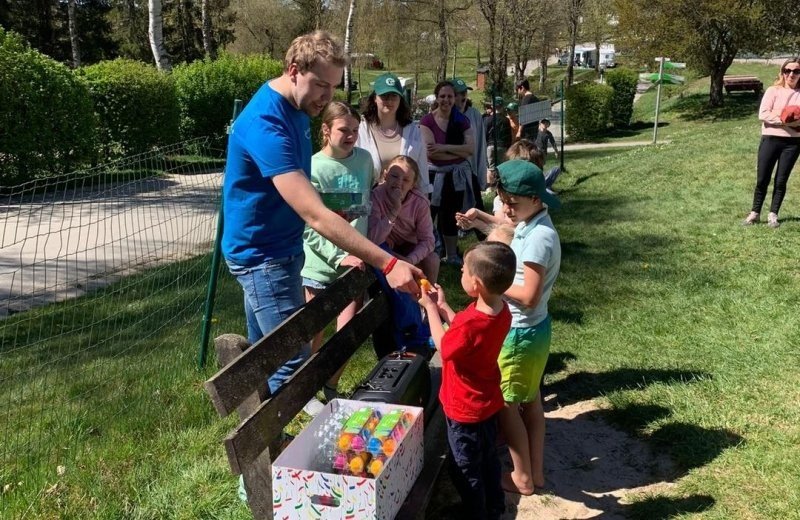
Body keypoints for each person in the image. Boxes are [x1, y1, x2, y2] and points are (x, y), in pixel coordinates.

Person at [222, 30, 421, 396]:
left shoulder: (298, 108)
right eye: (321, 85)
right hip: (261, 254)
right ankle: (274, 437)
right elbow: (314, 213)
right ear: (294, 70)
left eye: (334, 87)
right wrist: (388, 264)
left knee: (265, 353)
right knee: (291, 356)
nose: (327, 97)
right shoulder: (267, 124)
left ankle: (267, 442)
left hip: (285, 246)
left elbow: (301, 190)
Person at [418, 241, 516, 520]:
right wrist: (445, 306)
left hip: (464, 410)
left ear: (476, 284)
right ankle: (495, 507)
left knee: (465, 468)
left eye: (462, 270)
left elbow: (444, 346)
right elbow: (464, 334)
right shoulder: (502, 311)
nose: (459, 273)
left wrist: (431, 309)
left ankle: (476, 513)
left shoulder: (470, 324)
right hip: (487, 404)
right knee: (488, 460)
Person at [301, 102, 375, 411]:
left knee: (347, 333)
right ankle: (302, 391)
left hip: (355, 263)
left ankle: (330, 384)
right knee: (313, 331)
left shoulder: (365, 160)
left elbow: (366, 207)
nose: (351, 136)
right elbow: (309, 223)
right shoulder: (312, 168)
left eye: (356, 131)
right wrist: (336, 256)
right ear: (326, 130)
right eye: (344, 130)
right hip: (320, 264)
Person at [494, 159, 561, 496]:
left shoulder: (539, 239)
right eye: (504, 201)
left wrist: (491, 285)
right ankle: (536, 472)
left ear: (536, 199)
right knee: (532, 401)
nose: (506, 209)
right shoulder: (534, 224)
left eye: (512, 203)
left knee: (507, 405)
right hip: (535, 331)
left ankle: (521, 477)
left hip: (521, 334)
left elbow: (530, 296)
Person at [420, 81, 475, 266]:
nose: (446, 100)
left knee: (451, 215)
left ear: (455, 98)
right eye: (442, 96)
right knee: (428, 214)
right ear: (437, 98)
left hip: (454, 176)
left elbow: (470, 149)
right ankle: (428, 253)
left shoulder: (461, 120)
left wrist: (443, 147)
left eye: (450, 96)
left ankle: (451, 255)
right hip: (433, 176)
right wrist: (458, 150)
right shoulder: (427, 121)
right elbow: (430, 152)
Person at [743, 58, 800, 228]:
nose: (791, 74)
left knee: (781, 180)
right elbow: (763, 114)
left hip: (793, 143)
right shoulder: (773, 90)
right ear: (782, 72)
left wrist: (779, 116)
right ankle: (755, 212)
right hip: (771, 139)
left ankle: (773, 214)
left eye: (796, 71)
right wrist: (787, 120)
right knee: (762, 178)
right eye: (788, 70)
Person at [357, 72, 431, 194]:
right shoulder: (361, 130)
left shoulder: (413, 131)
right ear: (375, 98)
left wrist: (424, 207)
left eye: (394, 96)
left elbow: (423, 175)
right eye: (385, 96)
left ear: (400, 99)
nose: (389, 101)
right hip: (369, 204)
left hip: (406, 206)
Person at [369, 155, 439, 283]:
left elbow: (428, 241)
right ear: (385, 175)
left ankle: (429, 295)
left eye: (406, 180)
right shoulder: (376, 196)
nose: (398, 183)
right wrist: (394, 211)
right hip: (387, 247)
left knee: (432, 259)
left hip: (411, 246)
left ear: (413, 185)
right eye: (394, 176)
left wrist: (410, 260)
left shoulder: (419, 202)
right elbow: (373, 239)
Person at [455, 139, 544, 235]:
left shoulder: (532, 200)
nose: (506, 209)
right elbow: (502, 229)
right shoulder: (501, 198)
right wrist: (476, 222)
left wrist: (478, 216)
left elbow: (507, 229)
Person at [452, 77, 489, 217]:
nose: (461, 97)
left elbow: (480, 144)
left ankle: (485, 234)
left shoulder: (474, 114)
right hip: (452, 169)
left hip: (471, 169)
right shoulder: (445, 115)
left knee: (476, 207)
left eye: (464, 93)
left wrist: (481, 174)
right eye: (457, 94)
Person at [533, 119, 563, 192]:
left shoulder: (548, 133)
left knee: (541, 167)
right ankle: (536, 184)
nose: (545, 125)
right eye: (544, 123)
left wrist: (556, 151)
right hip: (535, 152)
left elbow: (553, 142)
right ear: (540, 124)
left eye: (547, 124)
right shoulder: (535, 132)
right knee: (535, 167)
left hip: (543, 153)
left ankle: (543, 184)